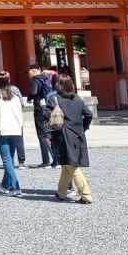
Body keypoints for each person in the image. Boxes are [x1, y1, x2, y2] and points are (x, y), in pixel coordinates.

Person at [49, 73, 94, 204]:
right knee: (66, 164)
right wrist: (83, 127)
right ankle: (61, 191)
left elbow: (47, 115)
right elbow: (89, 114)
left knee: (71, 166)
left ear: (60, 85)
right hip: (77, 134)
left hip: (63, 135)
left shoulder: (55, 99)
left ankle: (86, 194)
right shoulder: (78, 99)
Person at [0, 72, 26, 195]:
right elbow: (20, 111)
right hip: (16, 130)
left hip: (2, 130)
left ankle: (15, 187)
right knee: (10, 159)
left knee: (7, 160)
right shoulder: (14, 96)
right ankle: (4, 184)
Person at [27, 65, 55, 168]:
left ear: (33, 70)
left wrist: (29, 97)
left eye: (28, 72)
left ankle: (46, 161)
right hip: (49, 107)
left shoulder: (35, 79)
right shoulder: (46, 78)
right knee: (51, 133)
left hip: (40, 109)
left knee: (42, 135)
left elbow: (34, 92)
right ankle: (56, 161)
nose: (28, 75)